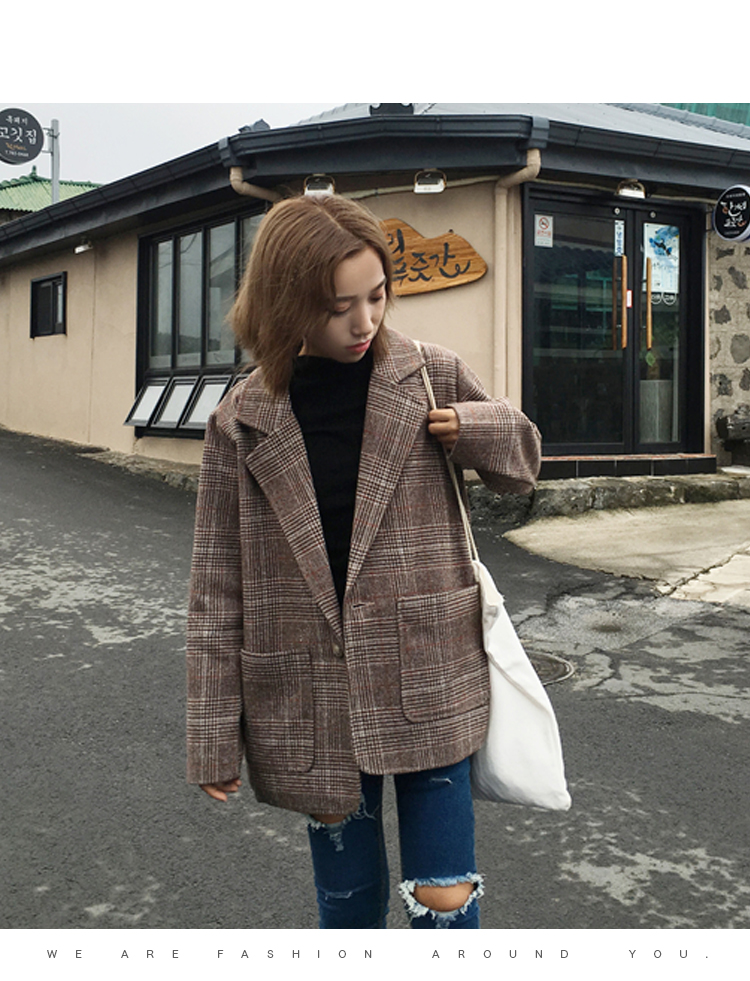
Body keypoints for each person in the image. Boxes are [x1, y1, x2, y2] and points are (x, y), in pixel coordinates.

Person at [186, 193, 541, 929]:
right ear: (286, 305)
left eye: (377, 295)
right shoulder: (241, 419)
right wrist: (213, 735)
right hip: (309, 692)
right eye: (337, 306)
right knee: (346, 906)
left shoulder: (430, 372)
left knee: (445, 895)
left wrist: (471, 427)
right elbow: (216, 589)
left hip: (429, 675)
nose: (364, 321)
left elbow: (523, 464)